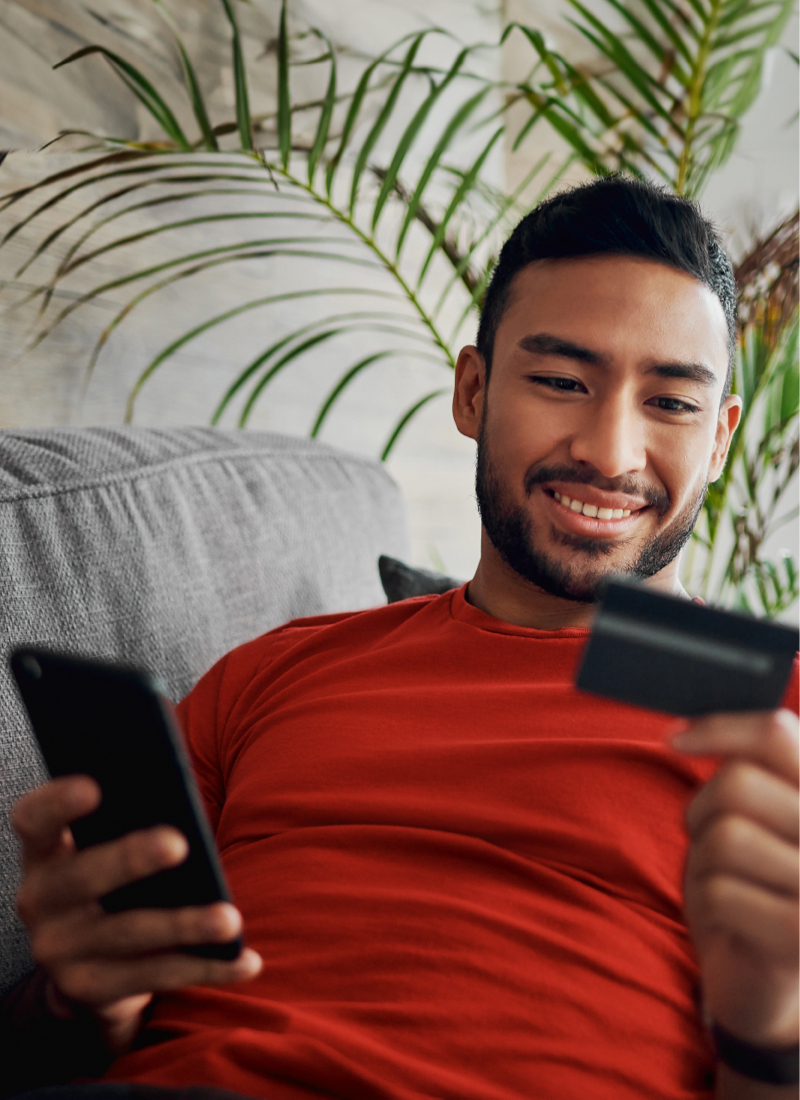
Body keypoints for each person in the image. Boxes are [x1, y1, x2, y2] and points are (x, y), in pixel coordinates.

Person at [4, 175, 798, 1100]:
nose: (611, 452)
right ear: (473, 391)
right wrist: (77, 1001)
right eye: (560, 382)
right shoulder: (275, 674)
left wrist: (769, 1036)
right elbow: (59, 1020)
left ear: (719, 440)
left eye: (670, 403)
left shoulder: (778, 717)